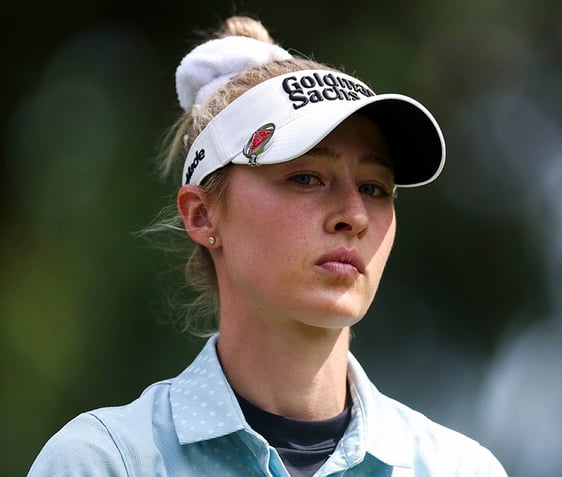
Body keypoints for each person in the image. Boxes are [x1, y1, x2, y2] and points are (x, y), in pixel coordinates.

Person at [27, 14, 507, 477]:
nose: (355, 216)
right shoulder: (105, 462)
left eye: (374, 188)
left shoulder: (459, 469)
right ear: (201, 213)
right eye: (305, 177)